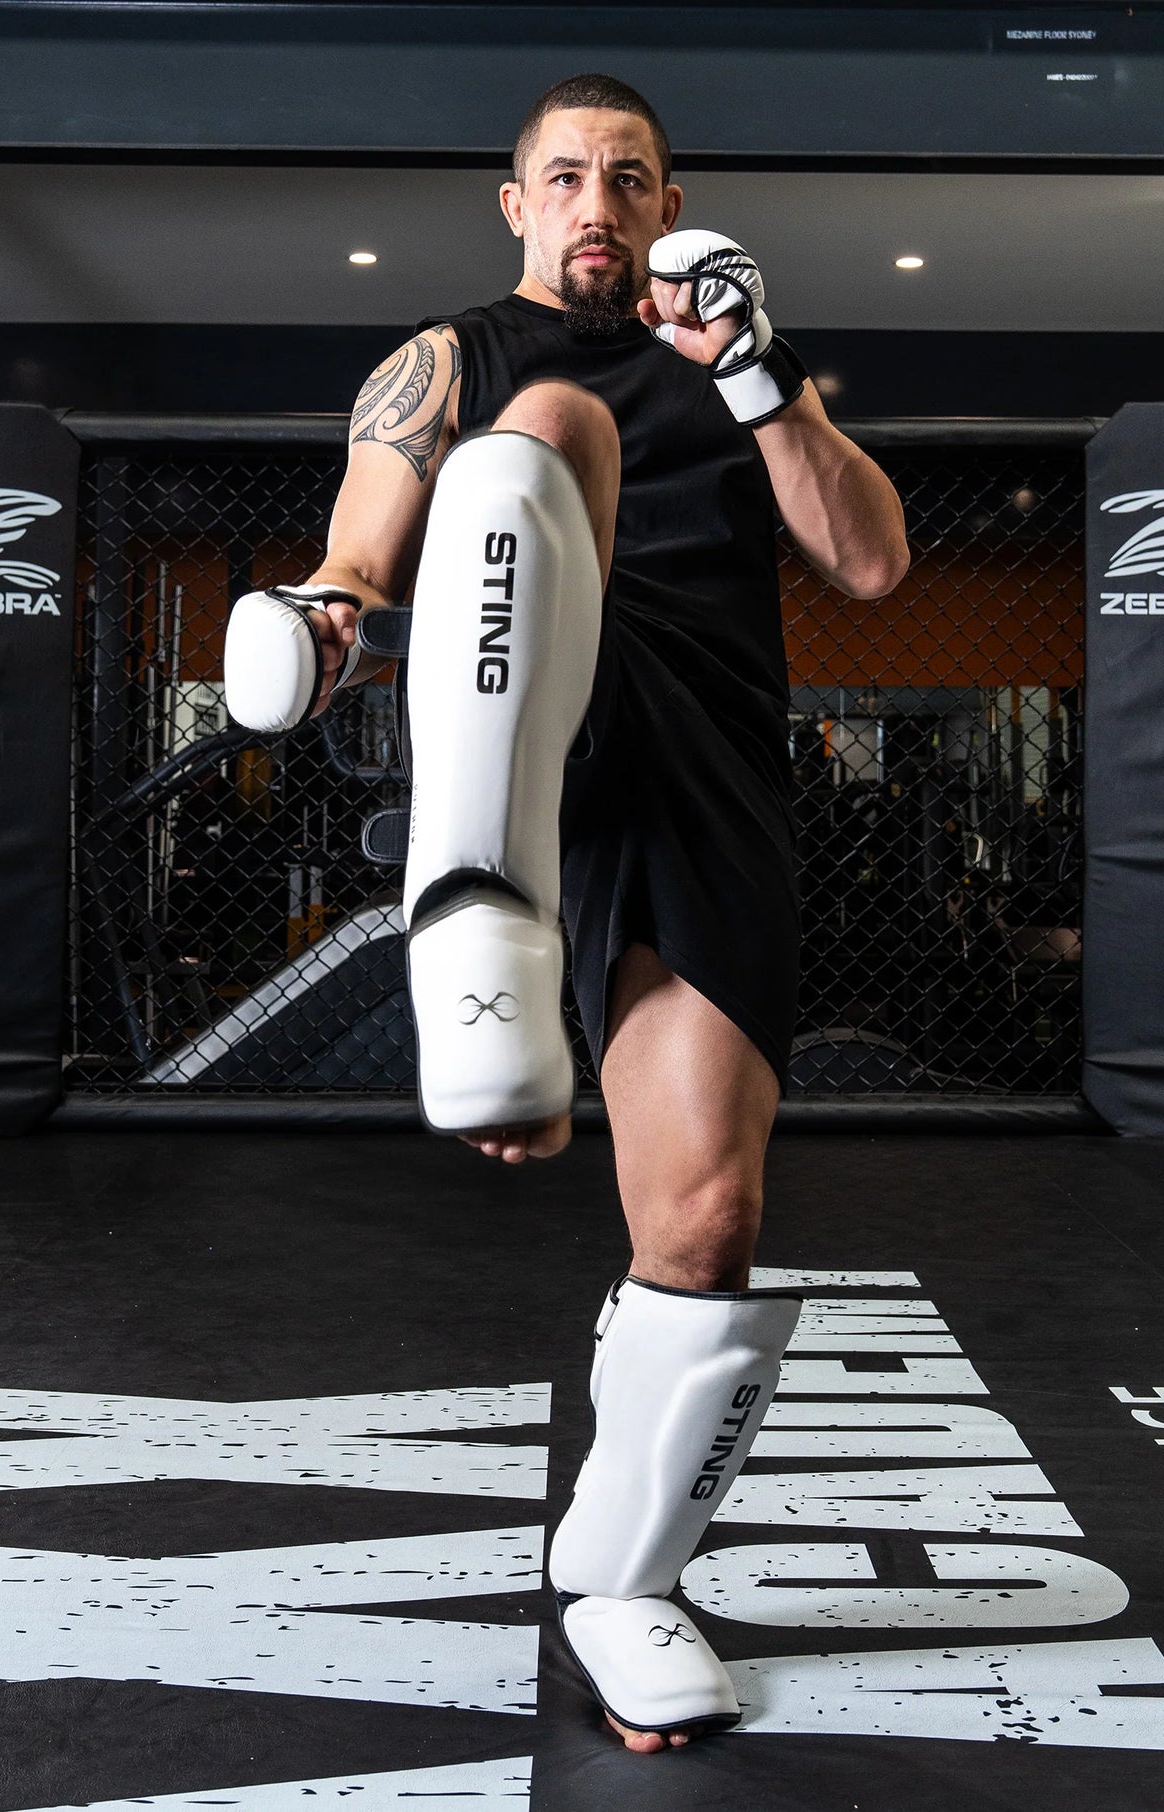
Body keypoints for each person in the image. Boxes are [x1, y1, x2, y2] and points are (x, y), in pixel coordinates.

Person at [223, 73, 908, 1753]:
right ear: (517, 204)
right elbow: (366, 541)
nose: (599, 203)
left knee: (709, 1220)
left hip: (709, 769)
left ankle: (620, 1580)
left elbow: (873, 563)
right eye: (569, 176)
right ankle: (477, 899)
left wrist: (758, 372)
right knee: (557, 434)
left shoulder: (742, 369)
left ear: (669, 206)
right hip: (527, 721)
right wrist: (329, 611)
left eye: (631, 178)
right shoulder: (454, 358)